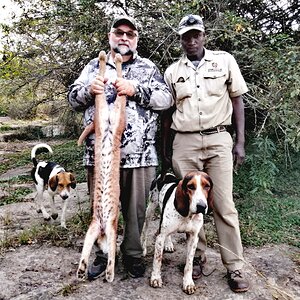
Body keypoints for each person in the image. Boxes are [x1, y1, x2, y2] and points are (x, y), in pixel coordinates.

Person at [68, 15, 172, 280]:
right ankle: (103, 254)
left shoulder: (148, 68)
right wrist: (87, 91)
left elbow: (166, 99)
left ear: (136, 39)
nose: (124, 37)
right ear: (110, 36)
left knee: (135, 212)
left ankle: (133, 256)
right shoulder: (92, 67)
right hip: (99, 155)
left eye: (130, 33)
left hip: (140, 156)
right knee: (101, 209)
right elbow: (73, 98)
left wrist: (135, 88)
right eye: (119, 32)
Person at [162, 14, 249, 293]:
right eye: (186, 36)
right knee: (188, 206)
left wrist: (240, 142)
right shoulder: (173, 71)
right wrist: (165, 149)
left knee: (223, 205)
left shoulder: (224, 61)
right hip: (184, 143)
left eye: (195, 34)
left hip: (219, 139)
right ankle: (196, 258)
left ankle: (234, 266)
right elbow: (167, 113)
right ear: (181, 40)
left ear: (203, 36)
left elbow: (238, 100)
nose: (191, 40)